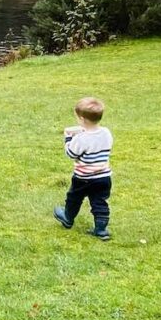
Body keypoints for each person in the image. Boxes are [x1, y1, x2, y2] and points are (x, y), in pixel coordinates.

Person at [53, 97, 113, 240]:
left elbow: (71, 153)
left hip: (83, 178)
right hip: (103, 177)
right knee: (99, 201)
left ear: (81, 118)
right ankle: (101, 229)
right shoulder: (106, 132)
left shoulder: (81, 139)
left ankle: (68, 218)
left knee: (74, 198)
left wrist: (68, 139)